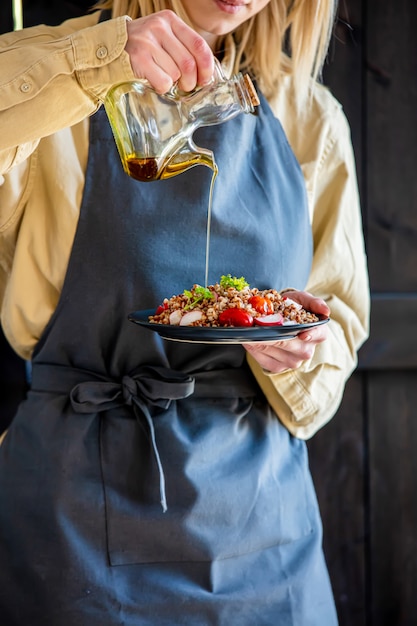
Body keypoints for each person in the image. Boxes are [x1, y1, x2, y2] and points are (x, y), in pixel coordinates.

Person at [0, 0, 369, 624]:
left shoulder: (310, 118)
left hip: (263, 532)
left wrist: (296, 351)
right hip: (75, 516)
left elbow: (340, 330)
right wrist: (98, 60)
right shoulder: (67, 73)